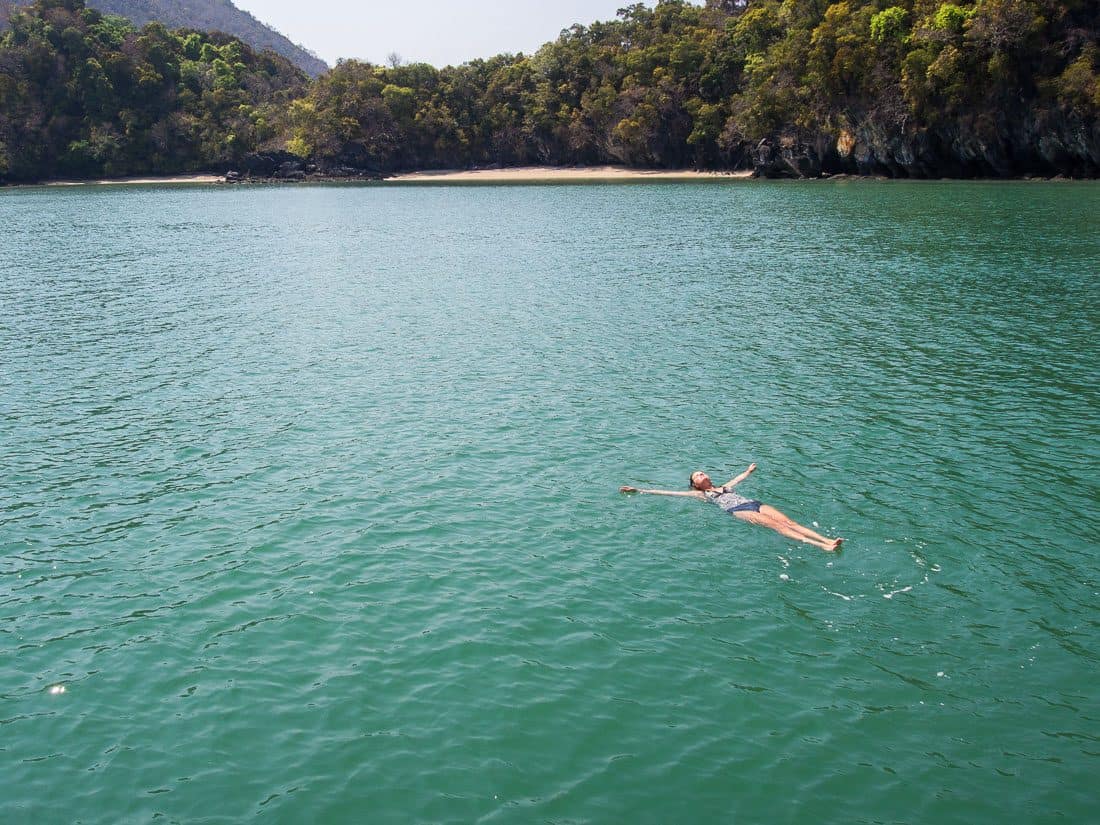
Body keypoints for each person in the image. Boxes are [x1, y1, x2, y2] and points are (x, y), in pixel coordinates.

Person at [620, 464, 843, 552]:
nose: (702, 474)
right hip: (738, 511)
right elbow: (669, 493)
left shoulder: (724, 487)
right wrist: (639, 490)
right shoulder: (701, 495)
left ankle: (827, 540)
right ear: (695, 484)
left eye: (702, 472)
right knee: (778, 527)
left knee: (789, 522)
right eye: (697, 475)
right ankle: (820, 546)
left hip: (754, 503)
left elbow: (738, 479)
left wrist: (748, 471)